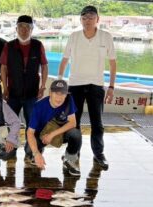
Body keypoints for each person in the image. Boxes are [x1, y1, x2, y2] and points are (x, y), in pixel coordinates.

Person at [58, 5, 117, 170]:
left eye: (91, 17)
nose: (88, 21)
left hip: (96, 85)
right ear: (81, 20)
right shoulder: (74, 36)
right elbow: (64, 60)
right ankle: (73, 153)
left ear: (98, 19)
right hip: (75, 85)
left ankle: (99, 154)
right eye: (84, 18)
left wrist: (111, 86)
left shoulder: (106, 37)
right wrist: (60, 81)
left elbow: (113, 63)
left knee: (97, 123)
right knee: (73, 123)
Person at [0, 15, 48, 129]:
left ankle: (30, 146)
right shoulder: (9, 46)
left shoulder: (38, 45)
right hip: (13, 93)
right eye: (21, 26)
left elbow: (44, 66)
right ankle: (12, 146)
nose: (24, 30)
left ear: (31, 29)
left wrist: (43, 86)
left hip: (32, 93)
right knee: (11, 124)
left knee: (31, 123)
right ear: (16, 29)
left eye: (27, 27)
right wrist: (5, 89)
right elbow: (3, 68)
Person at [26, 80, 82, 176]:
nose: (59, 97)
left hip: (59, 133)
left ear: (66, 95)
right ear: (50, 93)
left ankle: (69, 158)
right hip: (41, 135)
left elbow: (73, 123)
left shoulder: (69, 100)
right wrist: (36, 153)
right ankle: (39, 151)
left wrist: (52, 134)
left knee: (76, 134)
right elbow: (30, 132)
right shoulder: (38, 106)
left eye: (63, 94)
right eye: (56, 93)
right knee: (29, 151)